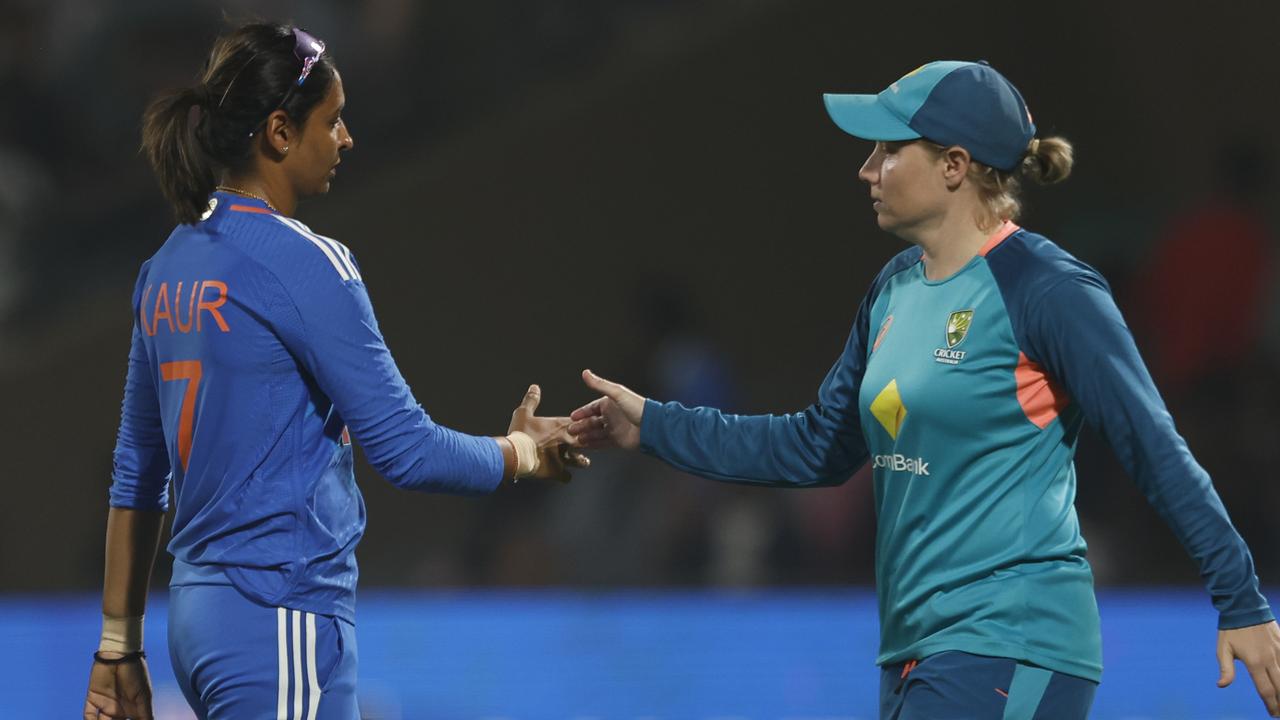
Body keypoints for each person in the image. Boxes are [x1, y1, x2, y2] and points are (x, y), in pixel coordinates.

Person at [569, 60, 1280, 718]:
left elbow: (1152, 444)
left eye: (886, 150)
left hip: (1014, 642)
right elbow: (817, 445)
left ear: (953, 166)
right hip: (915, 652)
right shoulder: (893, 289)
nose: (865, 169)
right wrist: (653, 424)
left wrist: (1241, 599)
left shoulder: (1049, 290)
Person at [83, 22, 585, 720]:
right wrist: (525, 453)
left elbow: (137, 472)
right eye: (334, 119)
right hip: (278, 615)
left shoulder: (165, 267)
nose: (346, 138)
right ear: (280, 132)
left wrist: (117, 644)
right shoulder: (306, 263)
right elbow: (408, 452)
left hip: (197, 619)